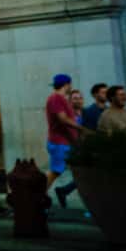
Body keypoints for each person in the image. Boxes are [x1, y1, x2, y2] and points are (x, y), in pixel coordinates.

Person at [45, 74, 81, 210]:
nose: (71, 87)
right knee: (55, 172)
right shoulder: (56, 98)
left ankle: (62, 191)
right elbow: (63, 119)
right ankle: (37, 198)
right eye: (70, 84)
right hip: (60, 143)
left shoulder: (60, 99)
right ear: (66, 84)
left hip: (65, 143)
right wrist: (82, 128)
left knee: (76, 171)